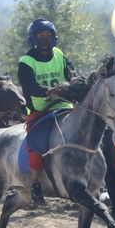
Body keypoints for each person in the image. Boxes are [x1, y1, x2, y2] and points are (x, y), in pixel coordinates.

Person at [18, 19, 76, 208]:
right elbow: (29, 86)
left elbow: (71, 75)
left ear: (54, 37)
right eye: (40, 35)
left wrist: (73, 86)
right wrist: (47, 91)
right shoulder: (26, 61)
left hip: (65, 106)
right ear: (32, 38)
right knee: (37, 145)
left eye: (48, 34)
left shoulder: (60, 55)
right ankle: (35, 185)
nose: (44, 38)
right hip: (40, 111)